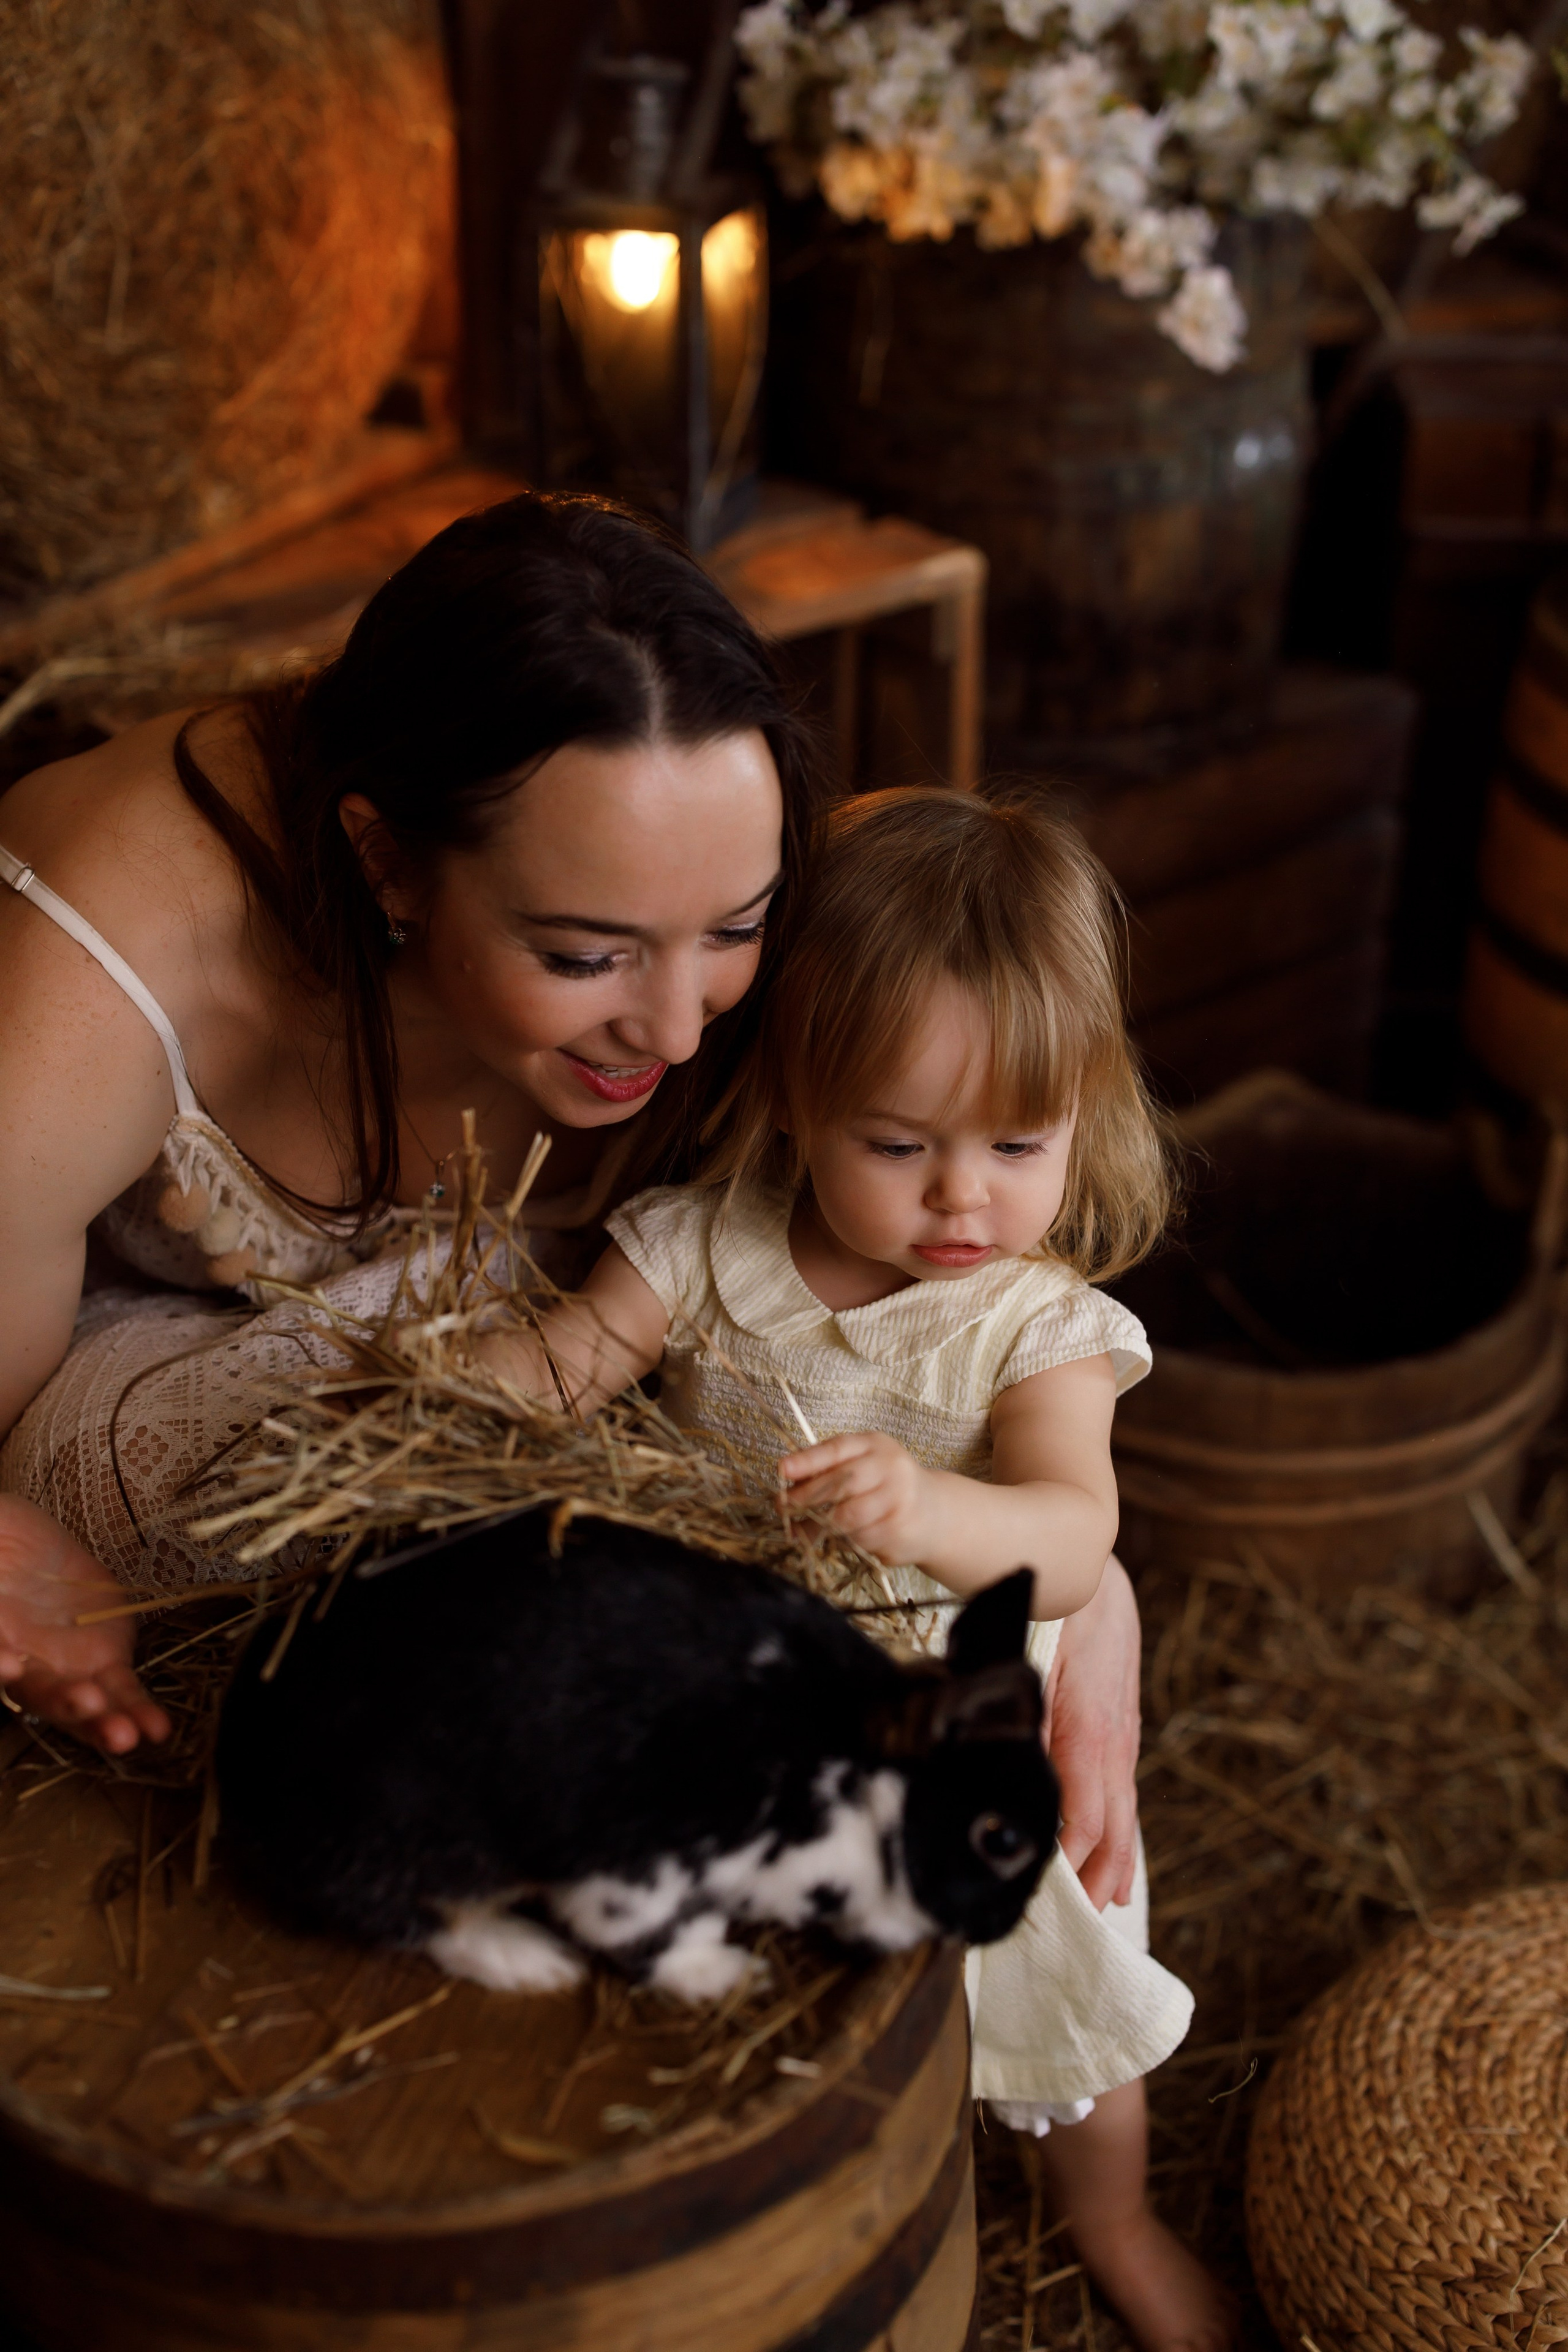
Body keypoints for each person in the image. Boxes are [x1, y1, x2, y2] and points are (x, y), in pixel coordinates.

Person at [0, 486, 1142, 1918]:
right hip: (163, 1364)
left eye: (734, 931)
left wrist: (1083, 1589)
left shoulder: (730, 874)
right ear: (386, 860)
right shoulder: (101, 973)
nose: (674, 1032)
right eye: (584, 953)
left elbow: (964, 1179)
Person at [478, 786, 1233, 2352]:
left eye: (1017, 1144)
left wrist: (929, 1516)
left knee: (1065, 2018)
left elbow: (1073, 1539)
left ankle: (1113, 2223)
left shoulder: (1032, 1331)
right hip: (738, 1719)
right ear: (793, 1109)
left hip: (954, 1748)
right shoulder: (698, 1251)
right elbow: (557, 1371)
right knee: (728, 2001)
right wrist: (453, 1384)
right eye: (896, 1144)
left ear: (1080, 1119)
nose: (963, 1197)